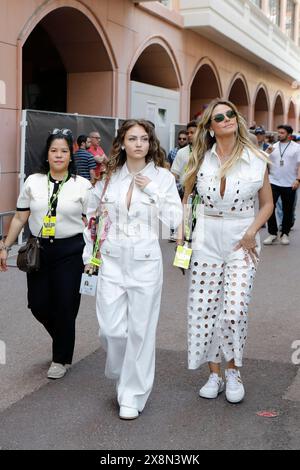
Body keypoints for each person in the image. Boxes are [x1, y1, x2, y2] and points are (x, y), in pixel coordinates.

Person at [83, 119, 182, 420]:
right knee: (111, 329)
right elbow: (92, 218)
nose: (138, 144)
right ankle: (123, 370)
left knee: (140, 331)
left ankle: (132, 393)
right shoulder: (109, 177)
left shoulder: (162, 178)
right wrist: (91, 255)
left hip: (145, 262)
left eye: (144, 139)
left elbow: (175, 220)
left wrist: (152, 190)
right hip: (111, 260)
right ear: (122, 143)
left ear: (151, 144)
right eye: (132, 138)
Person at [179, 99, 273, 403]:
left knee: (234, 309)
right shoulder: (199, 158)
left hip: (240, 237)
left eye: (231, 114)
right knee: (204, 308)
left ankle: (234, 371)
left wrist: (251, 233)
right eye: (219, 117)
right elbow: (187, 201)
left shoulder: (256, 157)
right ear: (210, 126)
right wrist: (183, 240)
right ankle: (214, 373)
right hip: (206, 236)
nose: (227, 119)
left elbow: (268, 203)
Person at [0, 129, 91, 379]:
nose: (59, 155)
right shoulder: (33, 181)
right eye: (54, 151)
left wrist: (96, 255)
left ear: (71, 155)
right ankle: (63, 337)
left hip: (71, 250)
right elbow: (20, 217)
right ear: (47, 155)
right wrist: (5, 246)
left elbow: (94, 223)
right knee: (38, 304)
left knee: (65, 304)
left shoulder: (82, 186)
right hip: (39, 250)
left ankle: (60, 358)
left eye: (64, 151)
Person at [263, 124, 300, 246]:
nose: (279, 134)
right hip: (273, 182)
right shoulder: (273, 147)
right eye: (278, 132)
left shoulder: (296, 148)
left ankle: (285, 233)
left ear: (289, 135)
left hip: (290, 183)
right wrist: (266, 153)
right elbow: (263, 161)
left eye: (282, 133)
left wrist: (298, 180)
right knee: (269, 208)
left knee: (287, 210)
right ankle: (272, 233)